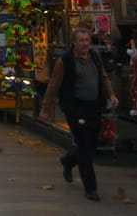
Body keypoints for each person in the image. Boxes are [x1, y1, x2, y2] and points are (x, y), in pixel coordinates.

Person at [39, 27, 119, 202]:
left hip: (94, 107)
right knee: (84, 146)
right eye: (81, 41)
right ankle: (91, 188)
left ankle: (68, 161)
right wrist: (46, 107)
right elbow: (54, 84)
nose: (85, 44)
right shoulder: (65, 61)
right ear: (74, 42)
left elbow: (103, 77)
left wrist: (111, 94)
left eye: (87, 41)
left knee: (90, 144)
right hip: (75, 108)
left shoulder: (95, 57)